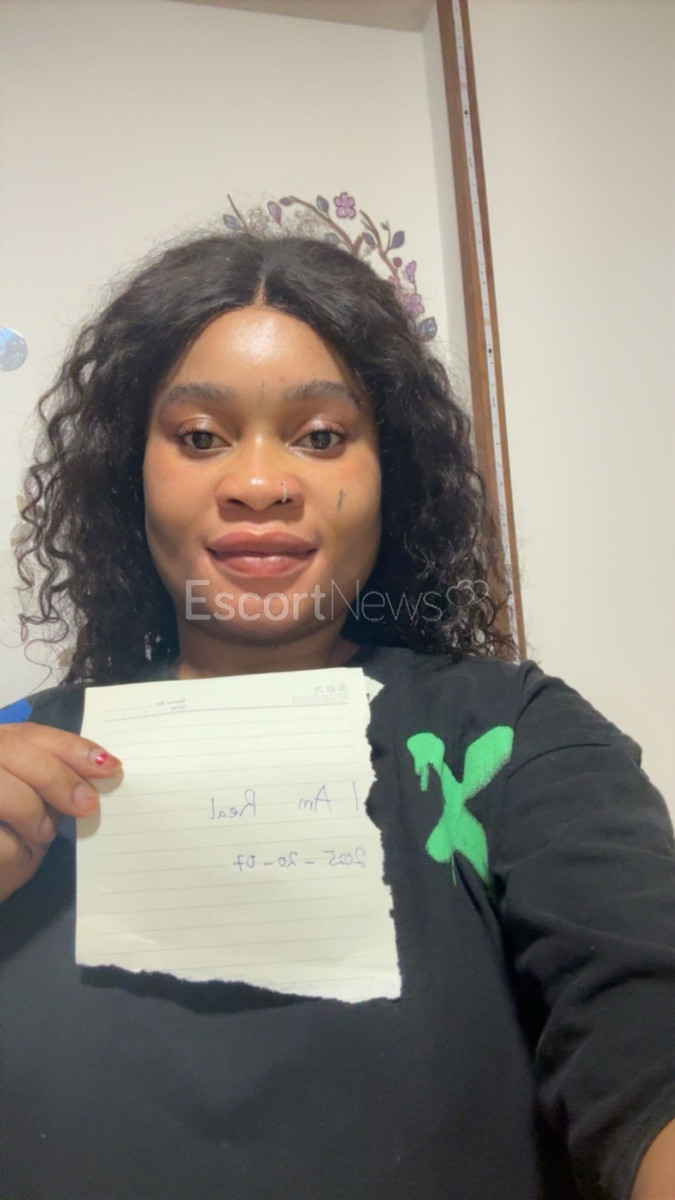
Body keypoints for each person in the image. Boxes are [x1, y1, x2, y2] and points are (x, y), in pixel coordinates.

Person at [0, 232, 673, 1200]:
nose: (259, 483)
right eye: (200, 437)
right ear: (128, 473)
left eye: (320, 436)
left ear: (391, 470)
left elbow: (644, 1033)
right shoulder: (22, 751)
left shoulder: (511, 738)